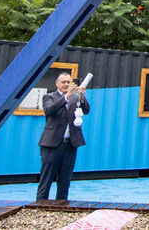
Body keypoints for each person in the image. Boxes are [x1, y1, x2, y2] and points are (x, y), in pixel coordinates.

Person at [36, 72, 90, 201]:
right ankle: (40, 204)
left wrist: (82, 97)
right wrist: (66, 96)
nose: (66, 84)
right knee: (47, 178)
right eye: (63, 82)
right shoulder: (49, 97)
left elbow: (86, 110)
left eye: (68, 82)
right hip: (51, 144)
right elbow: (50, 110)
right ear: (57, 84)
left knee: (65, 179)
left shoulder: (75, 98)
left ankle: (61, 203)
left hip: (70, 144)